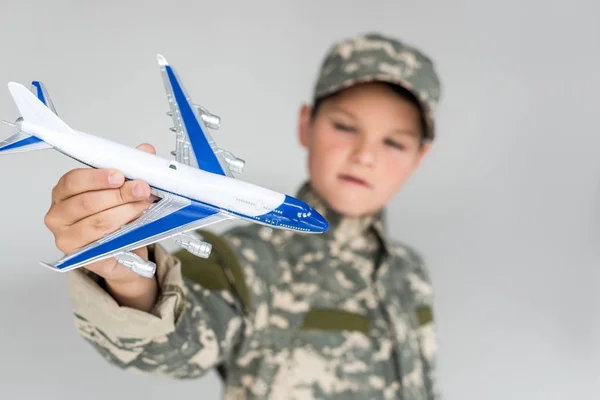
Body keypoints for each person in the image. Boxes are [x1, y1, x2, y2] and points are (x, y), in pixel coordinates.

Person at [47, 32, 442, 399]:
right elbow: (173, 349)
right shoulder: (240, 261)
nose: (365, 156)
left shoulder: (410, 272)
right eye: (344, 126)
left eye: (394, 141)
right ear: (307, 124)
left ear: (420, 157)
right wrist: (131, 278)